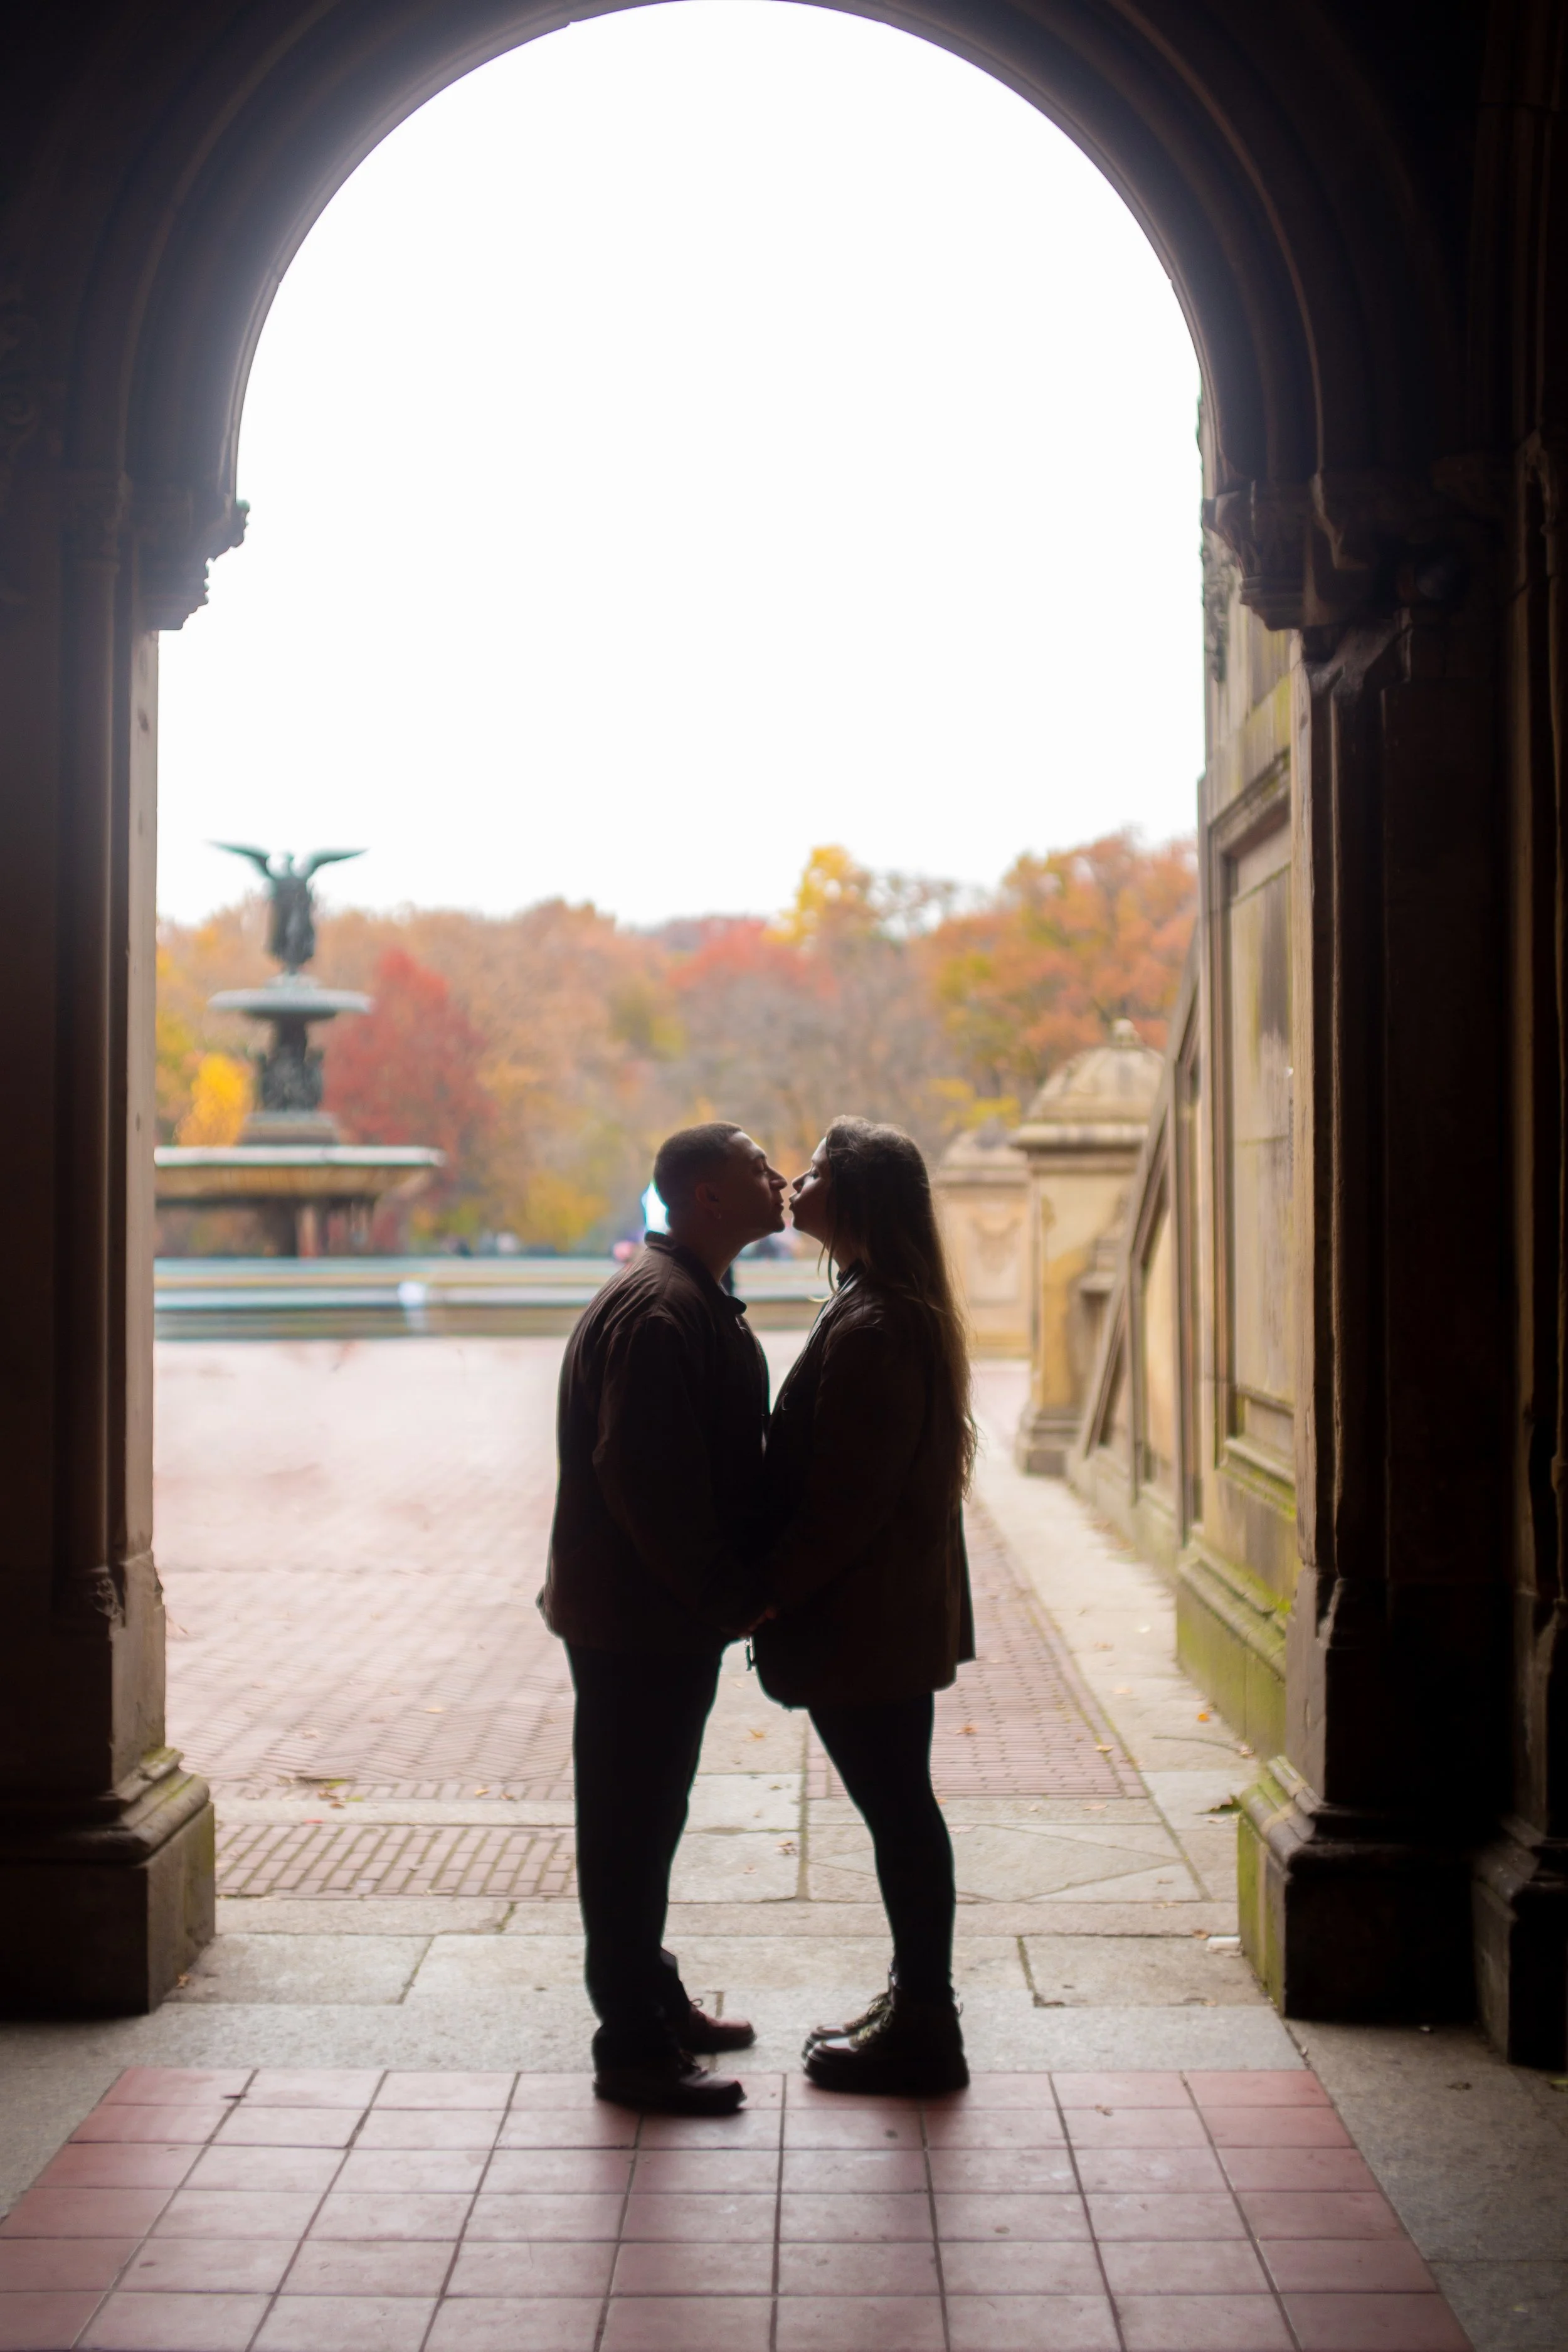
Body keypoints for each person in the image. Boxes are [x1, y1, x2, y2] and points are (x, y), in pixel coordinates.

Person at [539, 1122, 787, 2112]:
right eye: (758, 1169)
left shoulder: (684, 1295)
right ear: (706, 1197)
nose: (779, 1180)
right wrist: (731, 1593)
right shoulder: (660, 1309)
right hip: (639, 1620)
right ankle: (632, 2045)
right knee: (631, 1823)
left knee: (647, 1815)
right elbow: (644, 1478)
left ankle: (649, 1991)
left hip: (648, 1616)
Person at [754, 1116, 976, 2094]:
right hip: (882, 1614)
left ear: (856, 1198)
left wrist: (760, 1595)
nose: (795, 1185)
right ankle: (916, 1996)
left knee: (899, 1812)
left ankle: (927, 2017)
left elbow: (844, 1502)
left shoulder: (880, 1322)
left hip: (866, 1619)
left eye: (815, 1173)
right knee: (900, 1809)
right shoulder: (884, 1304)